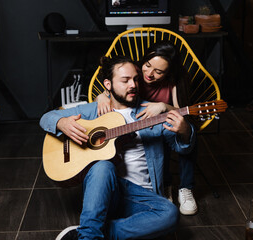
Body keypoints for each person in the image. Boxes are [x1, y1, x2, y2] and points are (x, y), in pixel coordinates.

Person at [40, 55, 196, 240]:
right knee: (103, 166)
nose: (133, 85)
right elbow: (46, 118)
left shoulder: (152, 113)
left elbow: (183, 149)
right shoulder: (93, 110)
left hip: (142, 195)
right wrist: (62, 122)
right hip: (107, 190)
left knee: (170, 214)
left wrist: (185, 131)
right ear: (108, 84)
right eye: (125, 80)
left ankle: (90, 233)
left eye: (136, 79)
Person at [96, 41, 198, 215]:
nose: (149, 74)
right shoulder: (134, 71)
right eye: (147, 65)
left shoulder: (175, 81)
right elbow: (113, 86)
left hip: (163, 120)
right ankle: (165, 184)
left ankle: (185, 188)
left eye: (158, 71)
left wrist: (164, 106)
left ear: (169, 73)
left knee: (185, 131)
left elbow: (184, 114)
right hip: (138, 123)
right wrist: (101, 96)